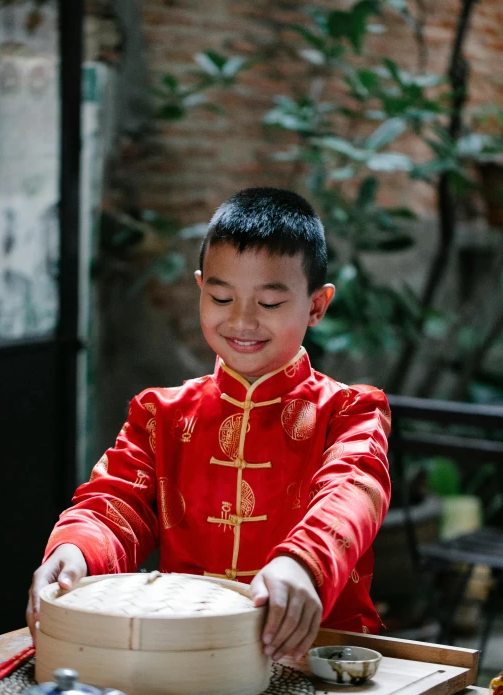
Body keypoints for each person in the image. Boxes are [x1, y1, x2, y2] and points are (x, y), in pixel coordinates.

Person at [27, 187, 391, 663]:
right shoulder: (160, 415)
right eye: (221, 296)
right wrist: (75, 552)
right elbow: (116, 503)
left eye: (270, 304)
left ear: (317, 306)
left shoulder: (349, 411)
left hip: (318, 652)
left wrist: (302, 564)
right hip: (192, 653)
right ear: (201, 289)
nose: (241, 320)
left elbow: (353, 490)